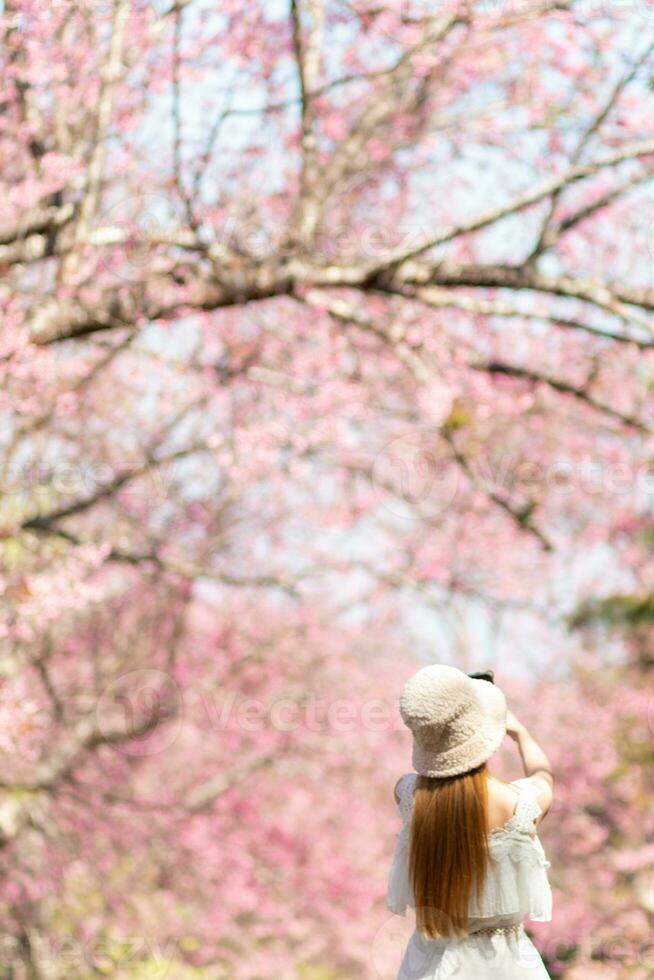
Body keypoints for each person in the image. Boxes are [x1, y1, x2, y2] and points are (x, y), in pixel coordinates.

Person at [387, 664, 554, 979]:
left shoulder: (407, 794)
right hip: (505, 965)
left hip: (428, 961)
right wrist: (520, 734)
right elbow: (542, 775)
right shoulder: (519, 804)